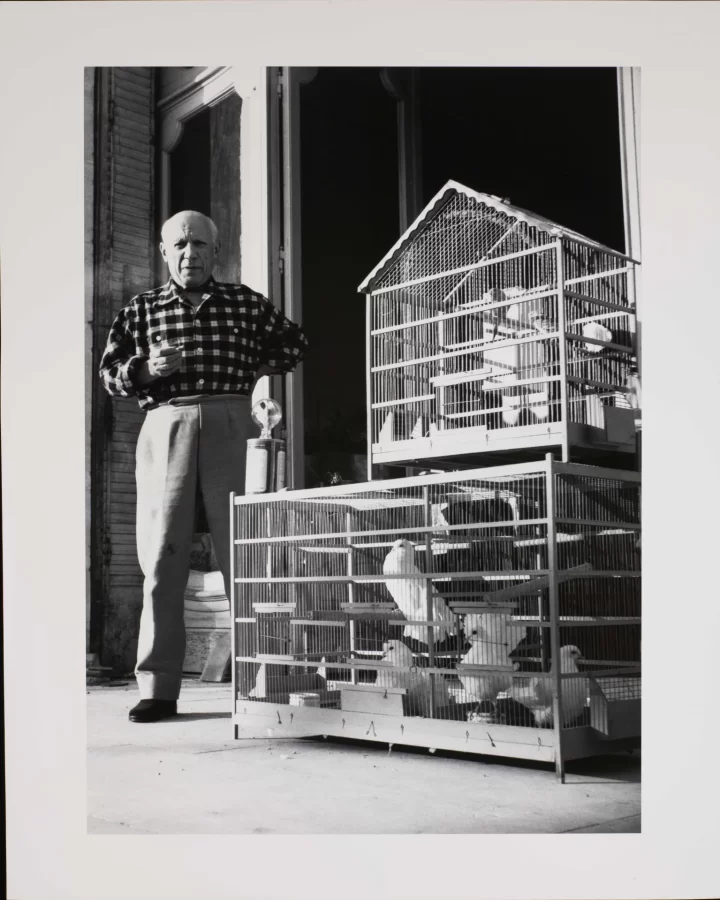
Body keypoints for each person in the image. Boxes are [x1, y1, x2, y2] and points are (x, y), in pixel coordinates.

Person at [99, 210, 308, 722]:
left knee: (248, 553)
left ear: (216, 253)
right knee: (162, 557)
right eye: (180, 245)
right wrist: (146, 370)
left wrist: (248, 368)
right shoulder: (141, 309)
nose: (189, 254)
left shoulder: (243, 302)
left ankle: (268, 678)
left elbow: (294, 344)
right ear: (165, 253)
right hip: (165, 424)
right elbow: (110, 374)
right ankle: (158, 686)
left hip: (233, 419)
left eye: (199, 245)